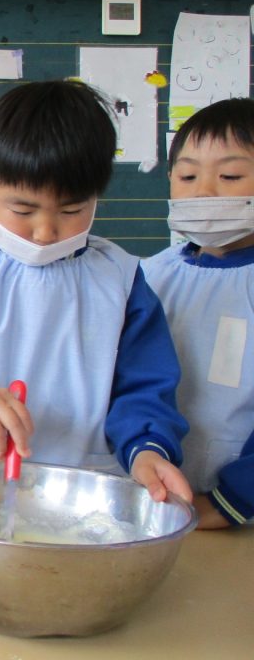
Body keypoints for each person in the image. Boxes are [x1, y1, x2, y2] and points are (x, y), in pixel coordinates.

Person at [0, 80, 192, 503]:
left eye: (71, 209)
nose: (45, 231)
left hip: (78, 491)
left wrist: (147, 449)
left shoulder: (121, 280)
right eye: (23, 210)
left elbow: (144, 385)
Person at [142, 98, 254, 528]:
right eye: (188, 176)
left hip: (232, 514)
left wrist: (229, 501)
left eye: (230, 176)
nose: (204, 191)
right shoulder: (149, 276)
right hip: (150, 501)